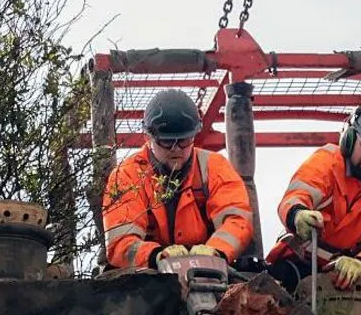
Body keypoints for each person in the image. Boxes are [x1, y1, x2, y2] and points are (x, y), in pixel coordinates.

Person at [265, 97, 361, 291]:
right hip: (293, 268)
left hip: (344, 281)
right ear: (350, 138)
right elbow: (296, 196)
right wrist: (298, 214)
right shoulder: (327, 161)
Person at [101, 89, 253, 269]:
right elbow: (121, 242)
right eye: (166, 141)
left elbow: (237, 221)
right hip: (147, 273)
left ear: (194, 136)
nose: (176, 149)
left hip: (211, 268)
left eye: (183, 140)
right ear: (147, 137)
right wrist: (155, 257)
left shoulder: (215, 166)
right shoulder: (127, 175)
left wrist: (215, 252)